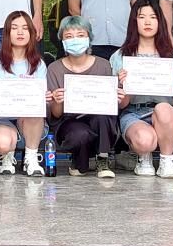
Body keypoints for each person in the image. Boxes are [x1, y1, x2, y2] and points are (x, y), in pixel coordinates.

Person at [110, 0, 173, 178]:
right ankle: (144, 158)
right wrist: (122, 84)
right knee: (144, 140)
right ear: (133, 21)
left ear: (160, 21)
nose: (147, 22)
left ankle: (166, 161)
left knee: (163, 108)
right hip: (134, 113)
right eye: (141, 17)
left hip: (168, 116)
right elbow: (121, 105)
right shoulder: (120, 57)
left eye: (153, 17)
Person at [47, 16, 123, 178]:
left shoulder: (104, 65)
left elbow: (112, 104)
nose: (75, 40)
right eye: (69, 36)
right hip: (70, 121)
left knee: (102, 117)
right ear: (62, 41)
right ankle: (79, 160)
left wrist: (117, 95)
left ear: (89, 38)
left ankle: (103, 158)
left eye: (80, 35)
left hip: (99, 118)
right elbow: (56, 114)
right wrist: (57, 101)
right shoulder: (54, 69)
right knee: (79, 134)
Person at [0, 11, 49, 176]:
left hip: (28, 118)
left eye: (25, 28)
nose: (20, 32)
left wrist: (45, 98)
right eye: (14, 28)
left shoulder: (39, 64)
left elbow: (41, 98)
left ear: (31, 33)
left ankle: (31, 158)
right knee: (3, 143)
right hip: (2, 117)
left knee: (35, 112)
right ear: (7, 33)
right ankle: (6, 157)